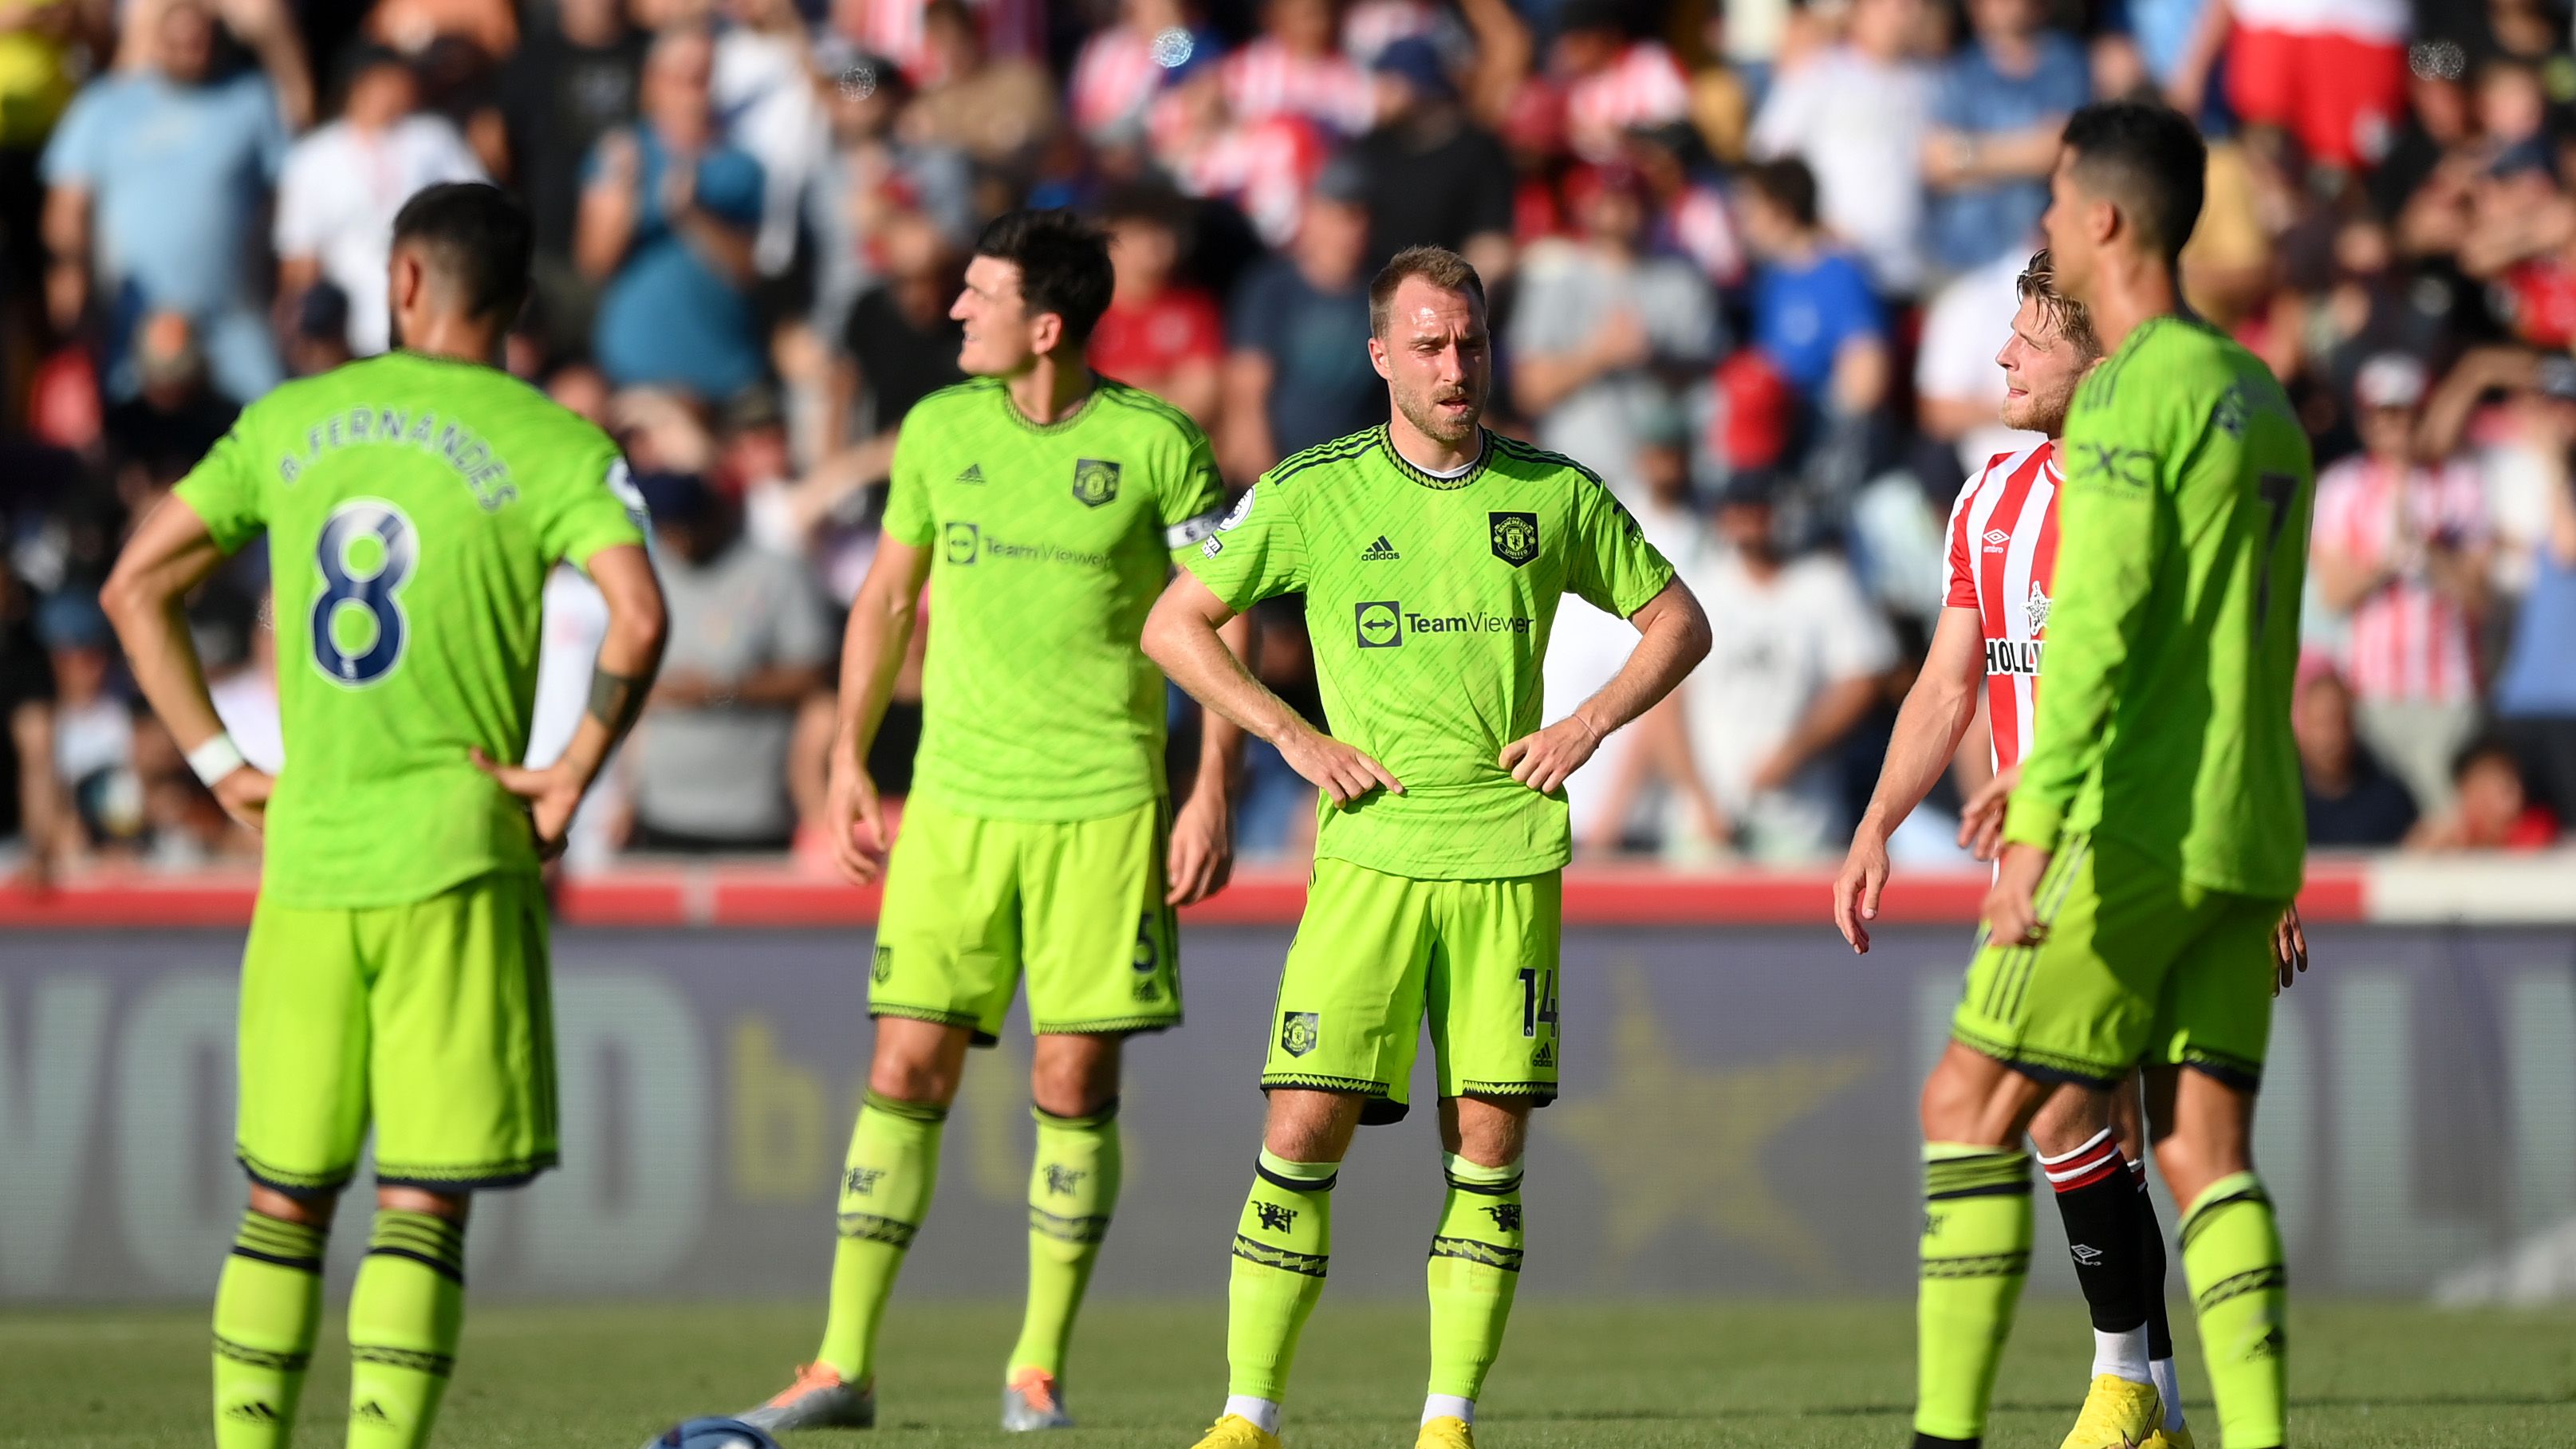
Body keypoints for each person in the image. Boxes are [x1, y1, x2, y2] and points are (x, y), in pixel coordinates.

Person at [97, 182, 667, 1449]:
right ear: (518, 303)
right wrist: (571, 770)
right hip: (458, 851)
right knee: (420, 1199)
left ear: (403, 281)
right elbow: (637, 616)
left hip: (307, 853)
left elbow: (136, 584)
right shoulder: (553, 442)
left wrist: (217, 760)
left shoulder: (291, 419)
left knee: (282, 1198)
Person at [1142, 245, 1711, 1449]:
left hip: (1506, 859)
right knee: (1299, 1129)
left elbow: (1678, 622)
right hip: (1368, 859)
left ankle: (1445, 1421)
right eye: (1429, 345)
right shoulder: (1313, 490)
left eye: (1470, 342)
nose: (1455, 367)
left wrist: (1586, 721)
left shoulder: (1552, 492)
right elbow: (1175, 624)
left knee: (1487, 1145)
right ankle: (1247, 1415)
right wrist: (1291, 736)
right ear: (1379, 357)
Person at [729, 210, 1245, 1436]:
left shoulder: (1157, 443)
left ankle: (1035, 1364)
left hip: (1102, 807)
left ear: (1046, 325)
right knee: (902, 1067)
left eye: (978, 293)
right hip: (955, 805)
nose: (955, 311)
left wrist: (1210, 780)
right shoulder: (933, 430)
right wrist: (849, 762)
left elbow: (1225, 615)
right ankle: (839, 1365)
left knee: (1070, 1083)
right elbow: (884, 602)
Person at [1910, 100, 2314, 1449]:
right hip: (2245, 826)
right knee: (2204, 1151)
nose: (2037, 226)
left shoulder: (2130, 403)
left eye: (2053, 200)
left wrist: (2030, 828)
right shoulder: (2257, 396)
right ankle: (2223, 1425)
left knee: (1969, 1102)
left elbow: (2094, 641)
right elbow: (2263, 649)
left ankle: (1954, 1432)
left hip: (2127, 828)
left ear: (2103, 220)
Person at [1834, 248, 2204, 1447]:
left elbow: (2217, 688)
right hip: (2034, 869)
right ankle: (2152, 1396)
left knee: (2043, 1108)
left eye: (2029, 337)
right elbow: (1946, 686)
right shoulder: (1987, 496)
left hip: (2145, 846)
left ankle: (2114, 1386)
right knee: (2104, 1127)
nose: (1999, 355)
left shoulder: (2154, 493)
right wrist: (1877, 822)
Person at [40, 0, 291, 402]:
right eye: (177, 41)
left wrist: (277, 37)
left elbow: (288, 189)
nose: (190, 50)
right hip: (132, 317)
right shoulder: (105, 106)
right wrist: (68, 279)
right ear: (154, 41)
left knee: (266, 419)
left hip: (231, 316)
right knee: (131, 436)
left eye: (200, 41)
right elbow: (68, 202)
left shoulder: (251, 99)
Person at [2309, 354, 2491, 816]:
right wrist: (2388, 561)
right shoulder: (2341, 487)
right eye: (2384, 414)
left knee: (2447, 821)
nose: (2396, 426)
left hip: (2448, 691)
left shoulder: (2460, 485)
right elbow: (2334, 594)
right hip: (2372, 693)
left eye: (2405, 412)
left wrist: (2429, 554)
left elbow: (2478, 597)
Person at [275, 45, 485, 357]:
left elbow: (479, 208)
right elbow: (299, 252)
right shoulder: (314, 157)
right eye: (389, 81)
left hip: (427, 322)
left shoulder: (432, 139)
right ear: (360, 85)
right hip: (348, 327)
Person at [2294, 666, 2418, 848]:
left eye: (2339, 721)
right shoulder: (2280, 801)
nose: (2330, 737)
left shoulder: (2390, 800)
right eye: (2320, 723)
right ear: (2302, 727)